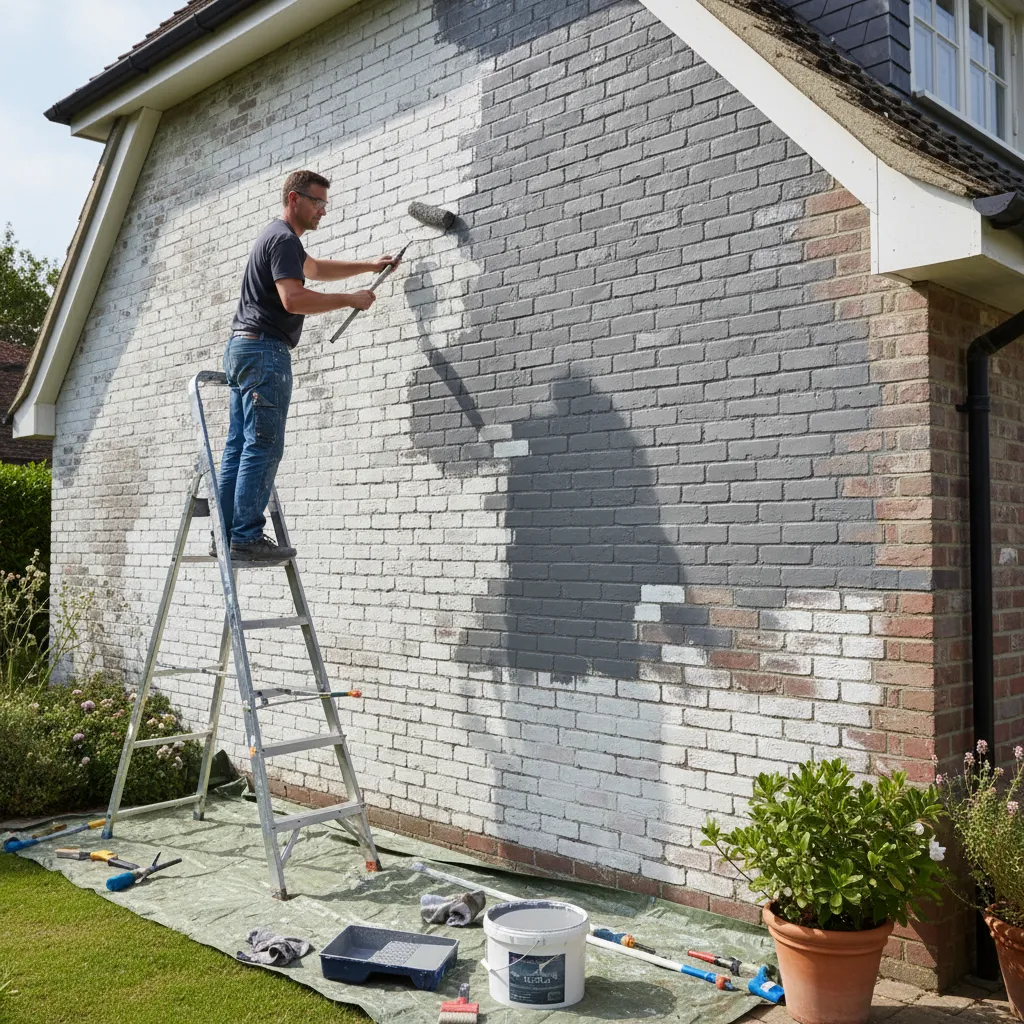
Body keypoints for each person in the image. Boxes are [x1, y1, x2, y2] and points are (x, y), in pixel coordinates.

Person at [213, 169, 398, 561]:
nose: (323, 211)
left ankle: (224, 535)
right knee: (263, 445)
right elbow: (293, 300)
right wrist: (350, 299)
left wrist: (369, 266)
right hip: (264, 351)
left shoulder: (279, 239)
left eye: (325, 204)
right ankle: (245, 537)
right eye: (317, 202)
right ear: (294, 199)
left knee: (238, 446)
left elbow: (313, 269)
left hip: (242, 350)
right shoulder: (282, 240)